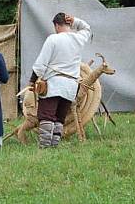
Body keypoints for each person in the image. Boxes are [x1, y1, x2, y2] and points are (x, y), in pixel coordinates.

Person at [29, 13, 92, 148]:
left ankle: (45, 147)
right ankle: (54, 146)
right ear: (69, 24)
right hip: (71, 86)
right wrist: (76, 21)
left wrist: (32, 80)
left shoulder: (53, 39)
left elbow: (41, 63)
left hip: (53, 84)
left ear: (57, 25)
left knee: (46, 115)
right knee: (59, 117)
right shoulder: (78, 38)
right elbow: (87, 28)